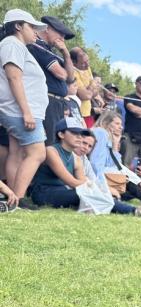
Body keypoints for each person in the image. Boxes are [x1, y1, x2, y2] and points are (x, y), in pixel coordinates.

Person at [0, 10, 49, 209]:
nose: (36, 33)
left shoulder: (15, 46)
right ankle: (17, 199)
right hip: (21, 111)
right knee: (38, 153)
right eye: (32, 27)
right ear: (18, 26)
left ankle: (12, 197)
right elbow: (14, 77)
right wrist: (26, 111)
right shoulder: (12, 44)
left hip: (17, 110)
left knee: (17, 152)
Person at [25, 14, 74, 145]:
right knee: (48, 145)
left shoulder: (52, 51)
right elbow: (62, 75)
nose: (62, 39)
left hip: (57, 104)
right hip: (47, 101)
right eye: (60, 34)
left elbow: (70, 77)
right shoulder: (38, 46)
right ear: (47, 29)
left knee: (55, 145)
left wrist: (66, 53)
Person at [77, 130, 141, 217]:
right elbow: (93, 173)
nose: (86, 147)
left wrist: (137, 178)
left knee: (138, 186)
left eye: (89, 146)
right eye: (84, 143)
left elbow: (117, 166)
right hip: (75, 189)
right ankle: (137, 209)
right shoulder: (81, 156)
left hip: (101, 184)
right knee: (103, 197)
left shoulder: (84, 159)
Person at [69, 47, 101, 127]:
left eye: (88, 61)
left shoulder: (87, 69)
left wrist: (89, 91)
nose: (87, 65)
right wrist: (92, 85)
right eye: (83, 63)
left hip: (88, 113)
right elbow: (85, 96)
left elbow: (95, 92)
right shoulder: (73, 72)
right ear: (74, 63)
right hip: (76, 113)